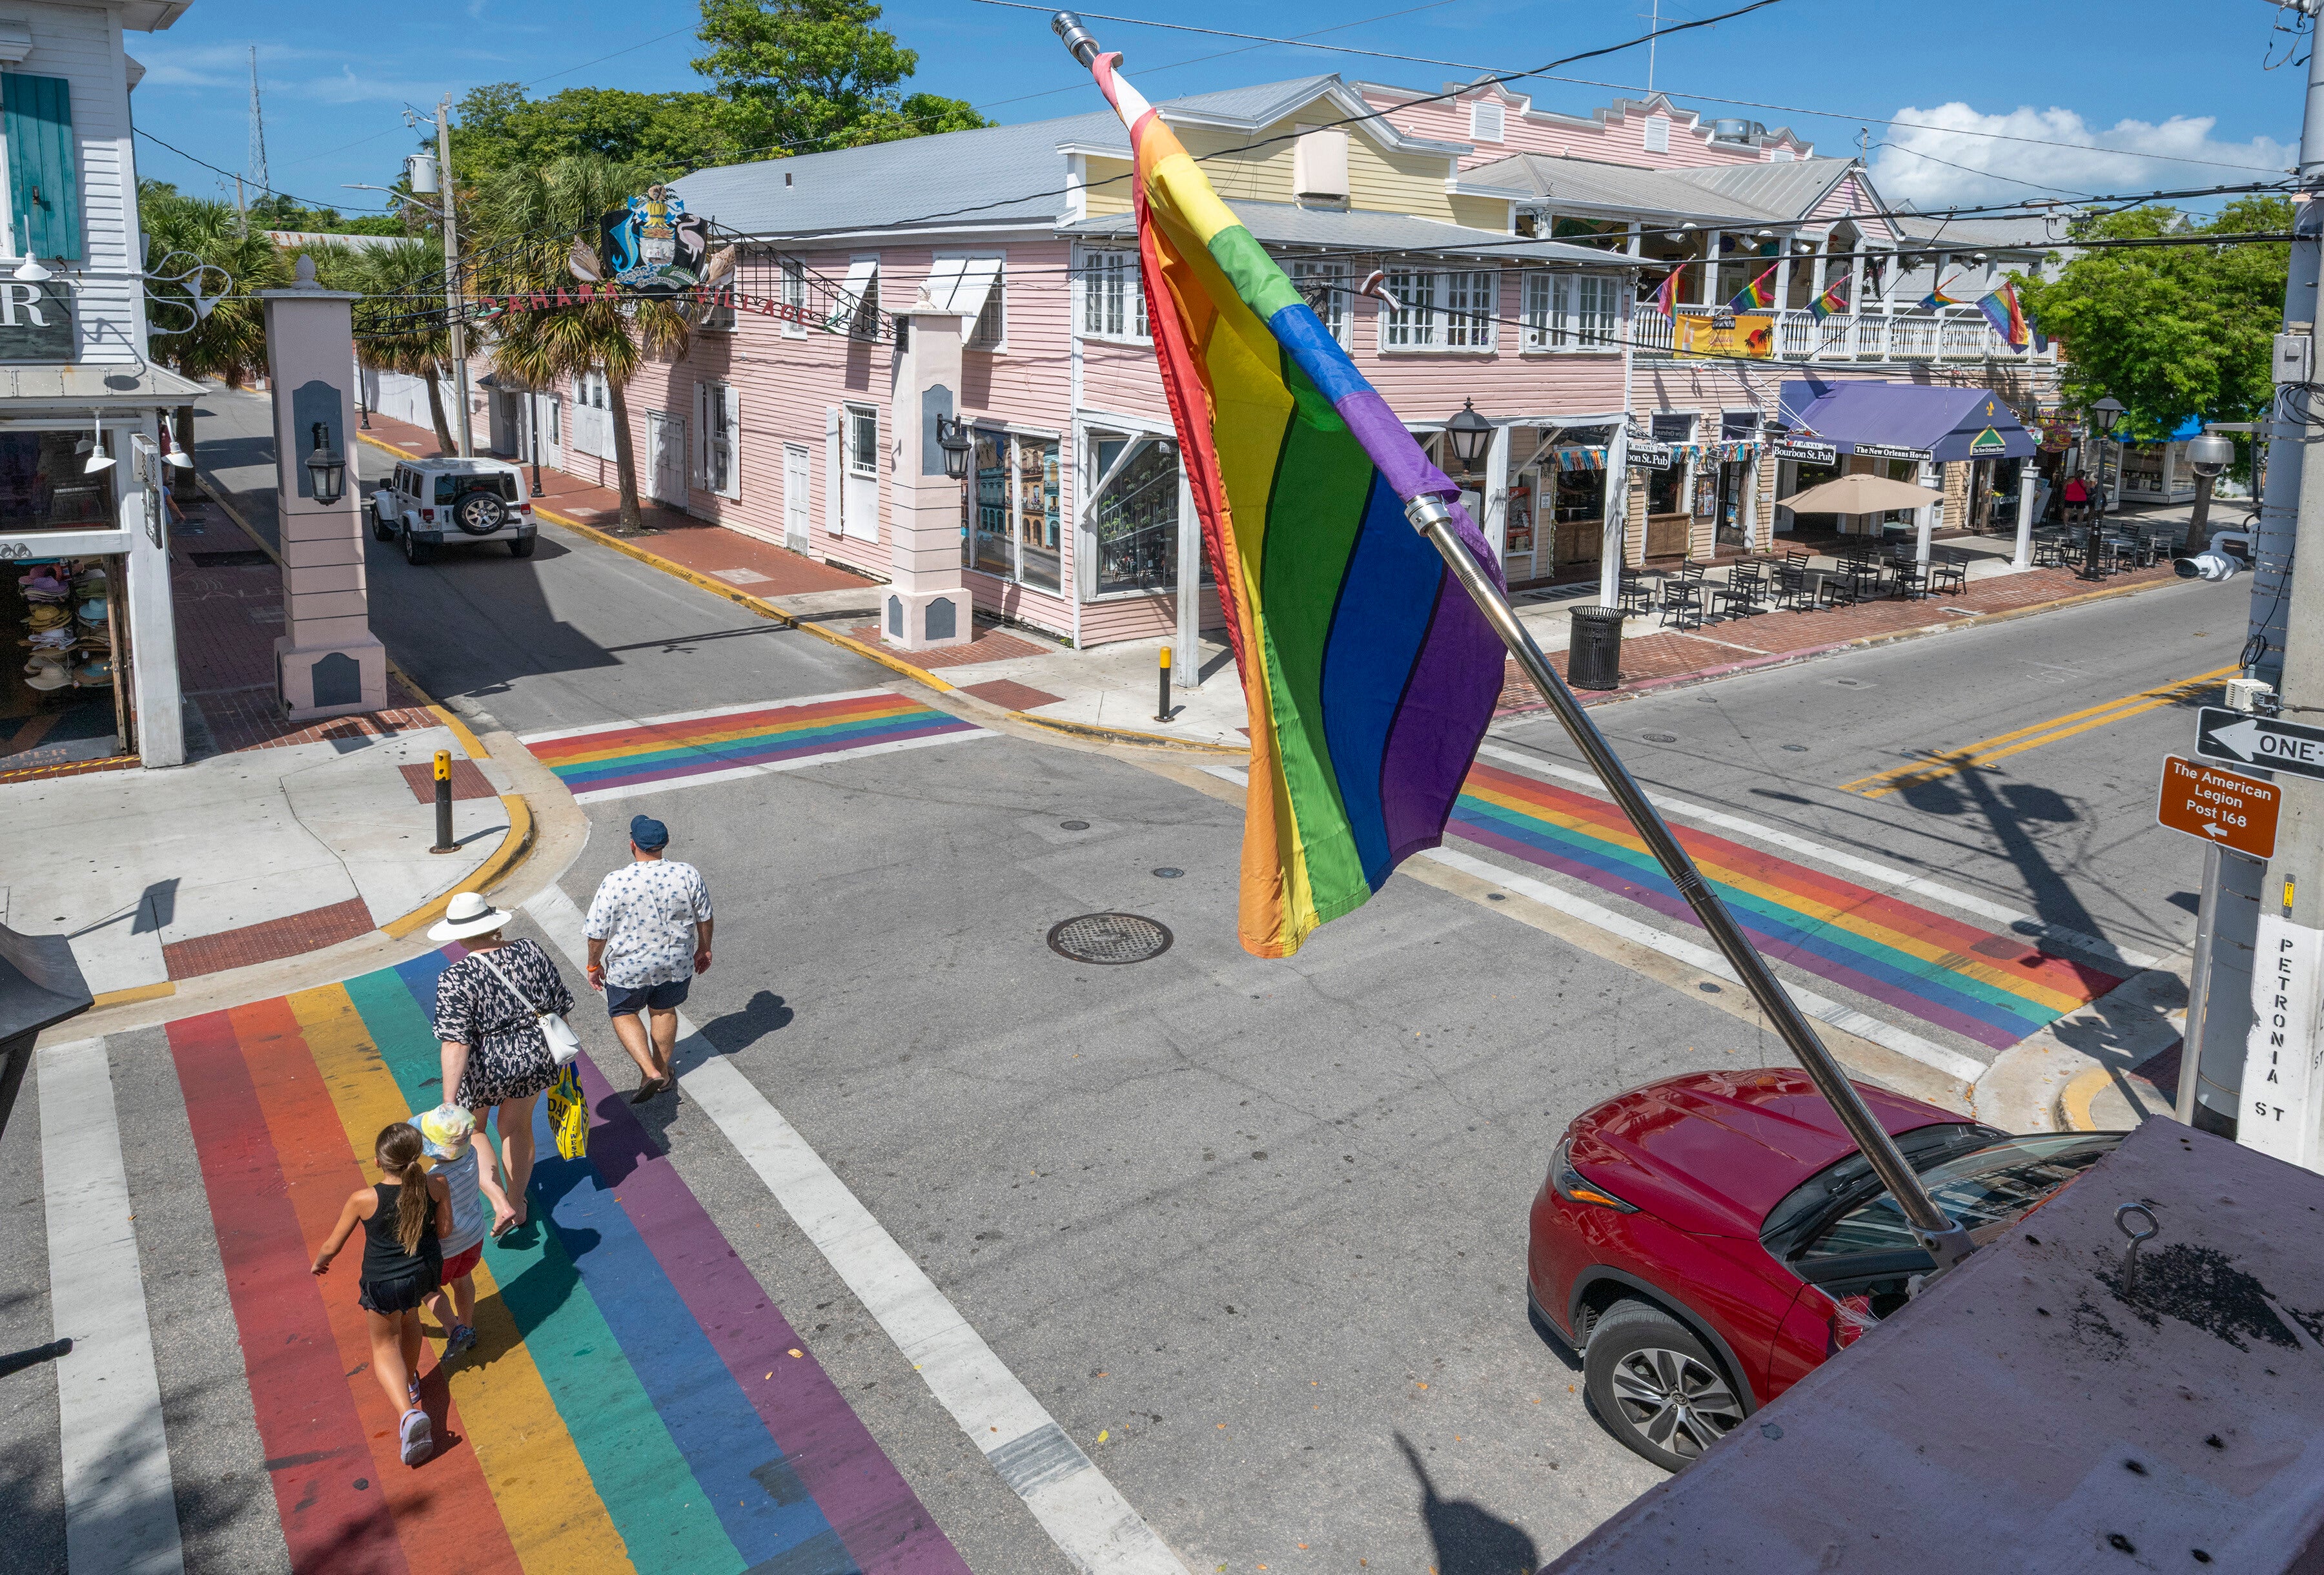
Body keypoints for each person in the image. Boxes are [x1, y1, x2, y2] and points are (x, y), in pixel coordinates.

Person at [429, 890, 575, 1230]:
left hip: (486, 1065)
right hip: (536, 1054)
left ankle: (499, 1202)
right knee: (517, 1127)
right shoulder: (531, 951)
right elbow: (559, 1004)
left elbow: (455, 1042)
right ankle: (518, 1201)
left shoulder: (456, 977)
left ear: (459, 935)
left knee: (474, 1130)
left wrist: (449, 1102)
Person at [313, 1122, 451, 1467]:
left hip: (385, 1283)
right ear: (418, 1156)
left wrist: (320, 1263)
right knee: (411, 1317)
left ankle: (408, 1414)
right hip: (424, 1274)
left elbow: (332, 1245)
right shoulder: (436, 1184)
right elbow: (445, 1230)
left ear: (378, 1162)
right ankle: (411, 1380)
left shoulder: (363, 1199)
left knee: (385, 1345)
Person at [584, 815, 713, 1104]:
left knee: (624, 1012)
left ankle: (649, 1070)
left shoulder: (615, 881)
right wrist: (704, 949)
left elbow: (596, 933)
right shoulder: (687, 873)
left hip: (630, 967)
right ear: (665, 843)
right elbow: (704, 916)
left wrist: (594, 964)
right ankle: (663, 1074)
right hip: (675, 962)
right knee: (663, 1010)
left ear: (633, 844)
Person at [413, 1103, 516, 1359]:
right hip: (472, 1237)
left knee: (428, 1288)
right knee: (463, 1280)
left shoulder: (434, 1178)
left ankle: (454, 1329)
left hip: (446, 1248)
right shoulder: (471, 1155)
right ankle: (468, 1326)